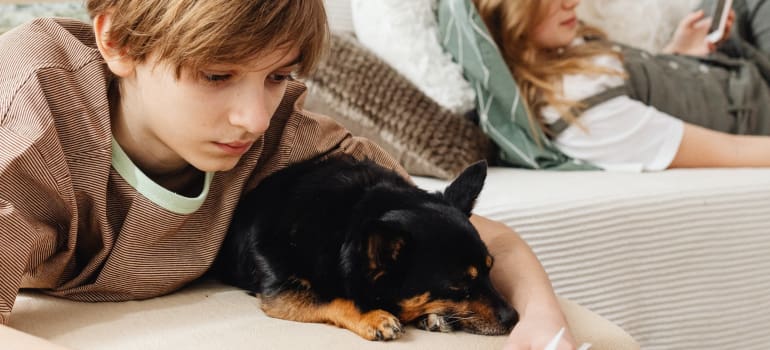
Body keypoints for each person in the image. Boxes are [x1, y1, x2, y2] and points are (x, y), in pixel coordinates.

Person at [0, 1, 639, 350]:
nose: (252, 116)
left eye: (279, 76)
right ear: (118, 44)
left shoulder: (287, 137)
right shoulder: (33, 122)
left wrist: (541, 321)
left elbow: (471, 233)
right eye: (215, 75)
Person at [473, 0, 770, 172]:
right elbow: (734, 151)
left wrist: (676, 54)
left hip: (719, 67)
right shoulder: (584, 116)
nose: (572, 2)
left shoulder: (552, 49)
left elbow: (643, 92)